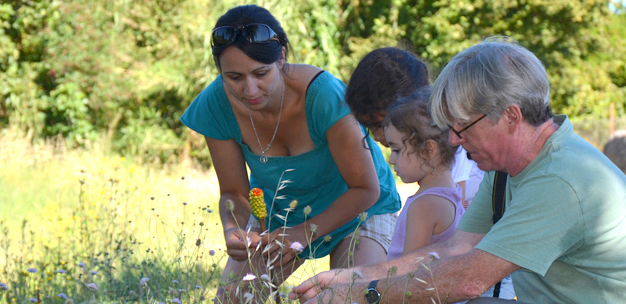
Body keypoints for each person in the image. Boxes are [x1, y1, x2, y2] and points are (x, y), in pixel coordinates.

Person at [290, 38, 626, 303]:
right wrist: (355, 277)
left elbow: (468, 278)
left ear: (510, 117)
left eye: (462, 127)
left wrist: (366, 294)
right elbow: (455, 248)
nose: (455, 142)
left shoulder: (560, 180)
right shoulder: (507, 166)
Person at [180, 5, 401, 302]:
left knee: (344, 295)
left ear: (281, 56)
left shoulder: (323, 95)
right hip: (281, 216)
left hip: (358, 209)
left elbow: (366, 189)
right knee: (234, 297)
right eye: (233, 77)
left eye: (261, 73)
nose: (249, 89)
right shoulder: (215, 104)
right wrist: (236, 230)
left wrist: (301, 234)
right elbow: (234, 193)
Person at [346, 47, 483, 206]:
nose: (377, 136)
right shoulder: (427, 148)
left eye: (379, 125)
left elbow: (455, 215)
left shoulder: (448, 143)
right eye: (368, 127)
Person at [381, 87, 465, 261]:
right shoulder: (452, 193)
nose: (391, 160)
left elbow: (408, 275)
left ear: (428, 150)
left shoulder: (424, 206)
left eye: (396, 150)